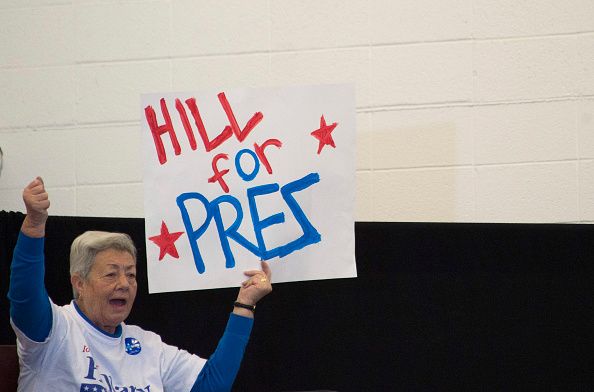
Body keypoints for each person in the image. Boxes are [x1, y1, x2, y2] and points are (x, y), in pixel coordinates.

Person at [8, 177, 273, 391]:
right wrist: (34, 225)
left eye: (131, 274)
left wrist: (244, 304)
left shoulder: (147, 346)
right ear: (80, 283)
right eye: (111, 274)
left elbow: (211, 384)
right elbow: (25, 298)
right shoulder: (56, 330)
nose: (124, 283)